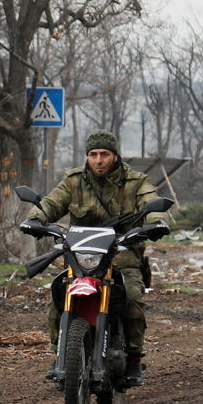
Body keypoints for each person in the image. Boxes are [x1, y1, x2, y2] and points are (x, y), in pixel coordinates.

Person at [25, 131, 165, 386]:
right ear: (87, 157)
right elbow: (52, 203)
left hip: (121, 255)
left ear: (115, 156)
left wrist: (156, 223)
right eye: (93, 155)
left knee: (131, 297)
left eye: (104, 154)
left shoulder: (135, 181)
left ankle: (133, 358)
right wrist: (35, 218)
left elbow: (150, 200)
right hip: (80, 256)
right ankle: (61, 352)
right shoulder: (74, 182)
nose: (99, 160)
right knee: (58, 294)